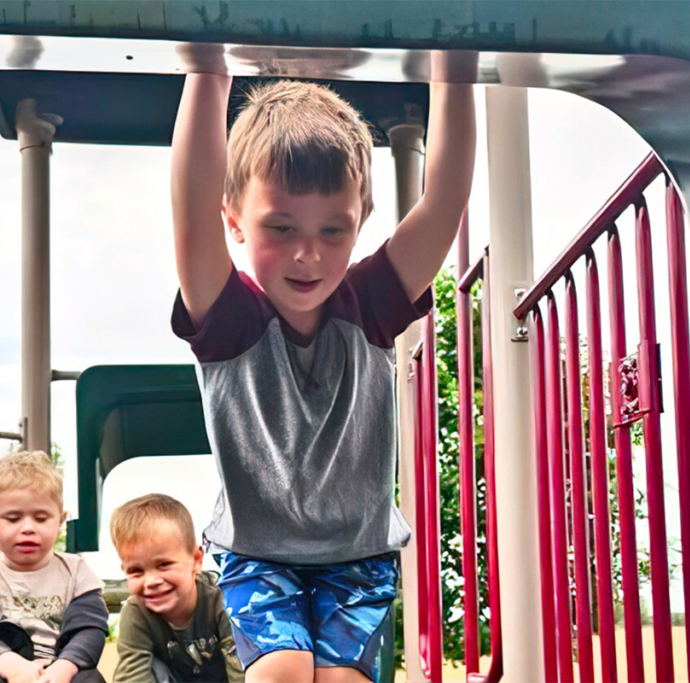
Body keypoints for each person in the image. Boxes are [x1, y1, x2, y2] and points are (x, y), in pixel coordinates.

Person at [170, 50, 475, 683]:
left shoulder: (371, 304)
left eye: (332, 231)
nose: (307, 255)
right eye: (280, 227)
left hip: (359, 555)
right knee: (282, 673)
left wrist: (455, 67)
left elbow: (443, 200)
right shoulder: (229, 316)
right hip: (258, 554)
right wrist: (206, 73)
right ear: (234, 221)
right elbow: (191, 206)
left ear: (362, 220)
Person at [0, 451, 108, 683]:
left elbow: (89, 628)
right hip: (5, 671)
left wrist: (64, 667)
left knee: (90, 679)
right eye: (13, 518)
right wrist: (11, 666)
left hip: (61, 669)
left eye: (41, 518)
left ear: (60, 521)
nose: (28, 528)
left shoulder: (76, 571)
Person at [109, 494, 243, 683]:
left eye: (164, 565)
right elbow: (133, 676)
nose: (151, 581)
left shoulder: (220, 601)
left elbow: (242, 669)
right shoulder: (136, 613)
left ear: (196, 560)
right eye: (136, 571)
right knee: (153, 667)